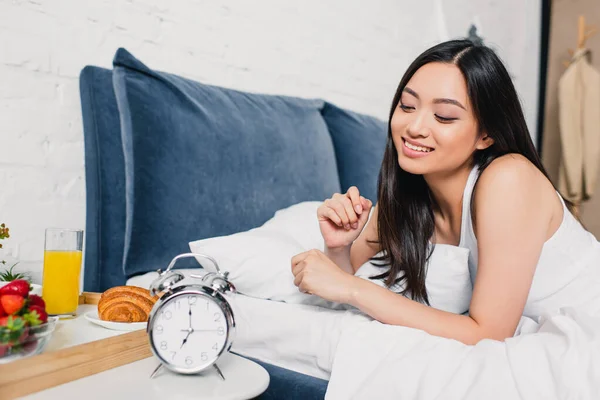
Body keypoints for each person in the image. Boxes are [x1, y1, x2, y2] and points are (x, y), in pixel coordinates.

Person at [291, 39, 600, 345]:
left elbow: (488, 333)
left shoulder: (509, 179)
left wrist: (353, 289)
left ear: (486, 134)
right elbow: (336, 286)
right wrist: (338, 247)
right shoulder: (403, 196)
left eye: (444, 116)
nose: (415, 127)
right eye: (407, 106)